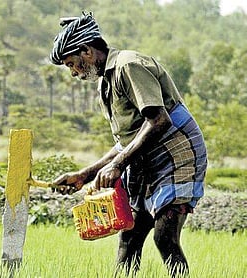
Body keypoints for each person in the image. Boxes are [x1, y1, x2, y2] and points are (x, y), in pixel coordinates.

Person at [49, 11, 207, 277]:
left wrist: (118, 166)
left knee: (164, 237)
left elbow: (158, 121)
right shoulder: (106, 83)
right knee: (129, 236)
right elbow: (127, 141)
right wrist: (84, 175)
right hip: (145, 160)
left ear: (86, 51)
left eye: (72, 64)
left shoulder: (128, 65)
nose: (74, 73)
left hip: (176, 156)